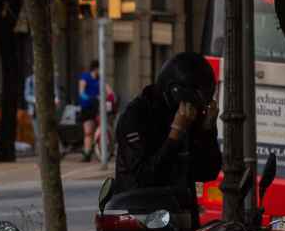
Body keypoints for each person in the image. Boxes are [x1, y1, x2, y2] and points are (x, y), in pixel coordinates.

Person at [110, 51, 223, 205]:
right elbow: (145, 177)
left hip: (179, 209)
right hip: (139, 212)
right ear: (175, 93)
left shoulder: (188, 115)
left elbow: (207, 171)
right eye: (193, 104)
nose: (195, 111)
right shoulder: (136, 116)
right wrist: (175, 134)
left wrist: (207, 130)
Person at [77, 60, 102, 161]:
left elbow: (106, 88)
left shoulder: (99, 79)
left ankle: (97, 150)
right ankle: (87, 153)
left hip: (97, 107)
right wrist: (91, 97)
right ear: (96, 68)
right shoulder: (85, 77)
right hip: (87, 107)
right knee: (88, 132)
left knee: (99, 129)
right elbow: (81, 92)